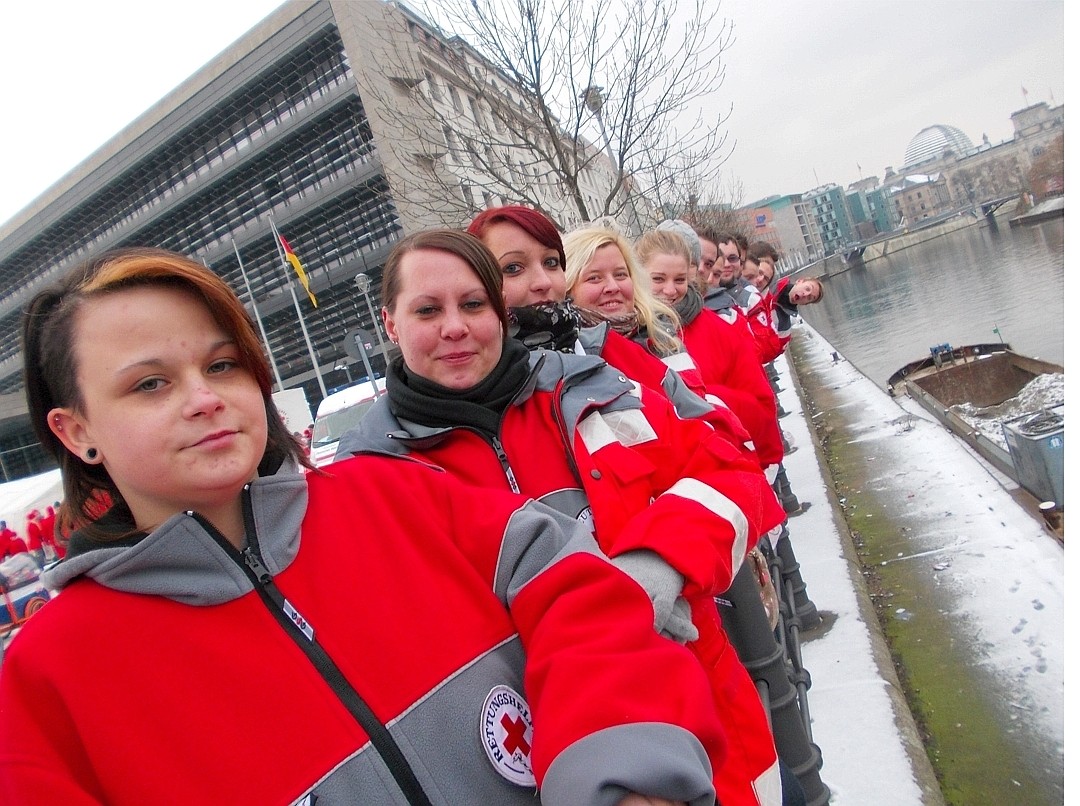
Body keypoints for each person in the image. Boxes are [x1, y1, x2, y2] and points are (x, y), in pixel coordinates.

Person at [1, 246, 728, 805]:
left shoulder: (401, 497)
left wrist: (616, 765)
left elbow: (585, 600)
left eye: (223, 366)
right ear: (75, 431)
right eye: (150, 383)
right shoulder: (45, 681)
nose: (204, 398)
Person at [338, 228, 786, 806]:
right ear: (391, 324)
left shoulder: (594, 388)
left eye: (473, 304)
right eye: (428, 309)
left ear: (498, 312)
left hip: (709, 733)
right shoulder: (365, 482)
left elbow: (733, 470)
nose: (455, 326)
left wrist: (662, 562)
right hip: (551, 768)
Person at [466, 205, 756, 457]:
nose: (542, 280)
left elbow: (718, 441)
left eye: (551, 262)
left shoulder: (615, 352)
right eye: (513, 268)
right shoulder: (470, 389)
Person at [636, 228, 784, 473]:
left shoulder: (720, 331)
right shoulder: (622, 337)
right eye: (658, 279)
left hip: (727, 470)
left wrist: (697, 399)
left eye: (680, 280)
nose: (671, 290)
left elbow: (763, 412)